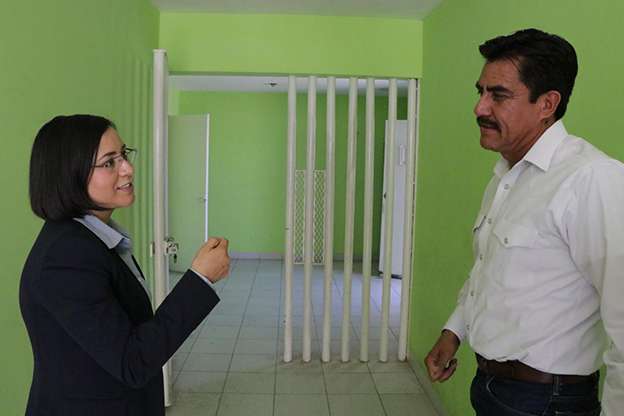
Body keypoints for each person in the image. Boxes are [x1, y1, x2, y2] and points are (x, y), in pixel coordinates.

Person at [424, 29, 624, 416]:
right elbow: (486, 270)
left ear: (547, 103)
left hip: (548, 401)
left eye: (498, 95)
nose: (479, 108)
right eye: (480, 92)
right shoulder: (505, 177)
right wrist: (454, 332)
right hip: (493, 387)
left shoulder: (591, 179)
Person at [20, 114, 230, 416]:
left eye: (124, 154)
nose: (128, 168)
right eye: (109, 162)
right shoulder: (66, 257)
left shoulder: (95, 239)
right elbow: (132, 361)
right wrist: (200, 279)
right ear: (69, 175)